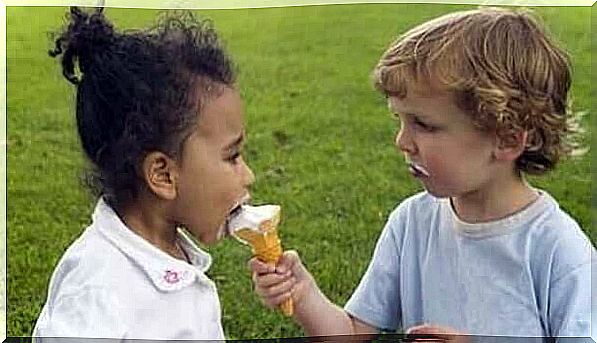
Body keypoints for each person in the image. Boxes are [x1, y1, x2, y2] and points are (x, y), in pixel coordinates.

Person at [250, 7, 595, 341]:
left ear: (506, 140)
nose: (402, 141)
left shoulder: (558, 250)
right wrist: (304, 294)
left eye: (424, 125)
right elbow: (352, 332)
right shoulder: (412, 224)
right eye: (399, 120)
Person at [33, 7, 255, 340]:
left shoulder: (170, 251)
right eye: (232, 156)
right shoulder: (98, 294)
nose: (248, 175)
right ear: (163, 175)